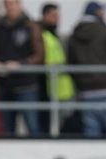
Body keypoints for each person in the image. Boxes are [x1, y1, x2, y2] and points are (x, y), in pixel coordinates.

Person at [67, 1, 106, 137]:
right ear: (96, 13)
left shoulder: (75, 34)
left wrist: (80, 86)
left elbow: (71, 63)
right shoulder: (105, 31)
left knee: (91, 134)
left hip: (86, 92)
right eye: (102, 11)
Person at [0, 0, 43, 136]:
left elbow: (40, 56)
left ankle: (37, 154)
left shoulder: (30, 27)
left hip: (26, 85)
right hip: (5, 84)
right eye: (8, 4)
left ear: (19, 5)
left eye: (13, 4)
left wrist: (21, 64)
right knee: (8, 130)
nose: (11, 7)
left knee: (32, 127)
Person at [38, 2, 74, 135]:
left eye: (58, 15)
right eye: (53, 15)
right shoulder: (44, 36)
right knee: (55, 125)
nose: (57, 18)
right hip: (52, 88)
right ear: (44, 16)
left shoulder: (54, 35)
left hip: (63, 88)